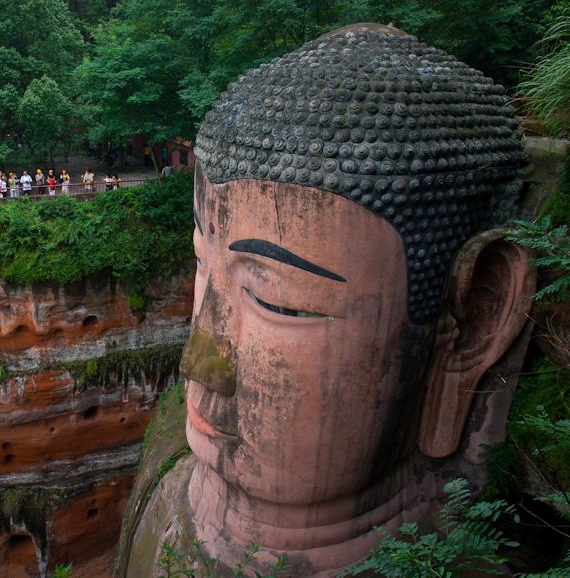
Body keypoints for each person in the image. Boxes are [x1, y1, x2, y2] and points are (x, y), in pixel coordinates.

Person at [116, 23, 534, 577]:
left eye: (277, 302)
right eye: (200, 263)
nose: (197, 362)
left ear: (477, 322)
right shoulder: (167, 490)